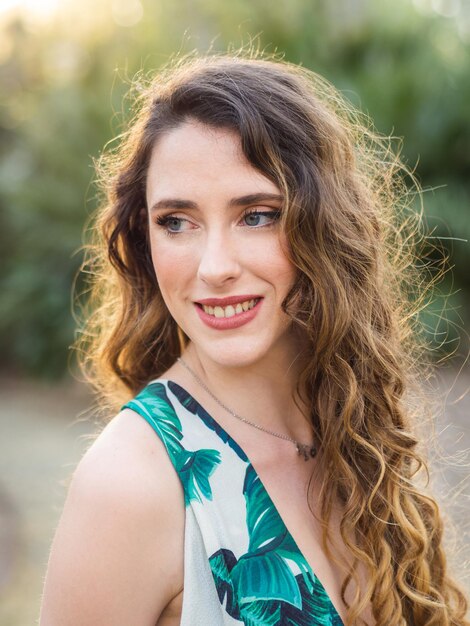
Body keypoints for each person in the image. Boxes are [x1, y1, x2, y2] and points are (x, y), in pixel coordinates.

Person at [39, 53, 469, 626]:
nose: (215, 266)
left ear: (324, 226)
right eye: (176, 221)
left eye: (258, 215)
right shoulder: (130, 486)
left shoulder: (353, 430)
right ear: (144, 239)